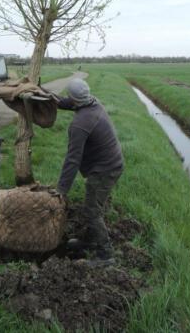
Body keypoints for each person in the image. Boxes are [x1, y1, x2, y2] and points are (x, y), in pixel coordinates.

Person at [55, 78, 124, 264]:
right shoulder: (93, 102)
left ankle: (105, 254)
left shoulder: (80, 124)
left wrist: (61, 190)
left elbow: (73, 159)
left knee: (92, 210)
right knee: (91, 205)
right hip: (110, 163)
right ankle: (90, 240)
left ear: (74, 98)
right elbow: (71, 103)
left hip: (106, 169)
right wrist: (51, 99)